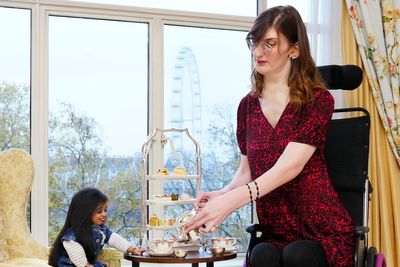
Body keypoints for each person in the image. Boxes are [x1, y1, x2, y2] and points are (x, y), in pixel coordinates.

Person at [184, 5, 355, 267]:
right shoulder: (247, 106)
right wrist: (223, 193)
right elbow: (247, 171)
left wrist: (231, 202)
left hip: (320, 229)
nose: (257, 52)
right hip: (276, 229)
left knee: (298, 256)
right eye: (255, 43)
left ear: (295, 49)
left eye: (269, 44)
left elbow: (290, 166)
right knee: (262, 255)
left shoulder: (317, 100)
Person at [49, 187, 145, 267]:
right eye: (99, 211)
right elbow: (77, 257)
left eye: (105, 210)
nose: (104, 214)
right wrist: (85, 265)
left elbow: (115, 239)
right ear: (84, 213)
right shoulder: (71, 236)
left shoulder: (101, 230)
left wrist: (132, 249)